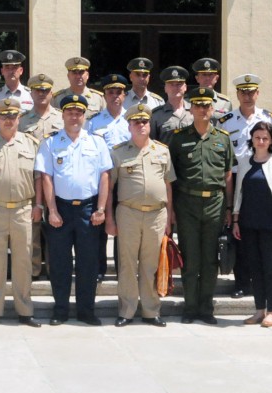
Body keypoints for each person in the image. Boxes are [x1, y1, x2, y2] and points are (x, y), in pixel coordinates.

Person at [36, 94, 113, 326]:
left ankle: (86, 311)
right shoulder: (50, 142)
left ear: (84, 115)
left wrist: (101, 209)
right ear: (63, 114)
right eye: (70, 111)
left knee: (88, 263)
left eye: (78, 112)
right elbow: (46, 178)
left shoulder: (96, 142)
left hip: (89, 209)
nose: (74, 116)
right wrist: (51, 210)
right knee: (59, 263)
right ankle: (60, 310)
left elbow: (105, 176)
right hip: (60, 208)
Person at [104, 104, 175, 328]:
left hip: (157, 215)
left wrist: (169, 216)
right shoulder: (118, 151)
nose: (141, 125)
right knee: (127, 265)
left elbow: (168, 185)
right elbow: (109, 186)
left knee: (150, 264)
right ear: (129, 126)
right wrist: (109, 217)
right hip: (128, 213)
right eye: (136, 122)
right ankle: (126, 310)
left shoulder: (162, 151)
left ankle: (151, 311)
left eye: (144, 122)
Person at [0, 98, 42, 328]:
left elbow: (38, 178)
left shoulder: (31, 144)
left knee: (23, 261)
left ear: (19, 118)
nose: (8, 120)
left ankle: (25, 310)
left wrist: (38, 205)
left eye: (12, 116)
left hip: (23, 209)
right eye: (4, 116)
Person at [169, 87, 234, 325]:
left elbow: (228, 176)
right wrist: (172, 210)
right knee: (190, 258)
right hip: (187, 203)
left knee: (210, 260)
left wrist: (228, 209)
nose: (203, 110)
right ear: (191, 108)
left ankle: (206, 308)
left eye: (207, 105)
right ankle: (190, 307)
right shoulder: (179, 137)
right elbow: (171, 177)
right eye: (198, 105)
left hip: (215, 204)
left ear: (213, 109)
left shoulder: (223, 139)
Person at [218, 73, 272, 298]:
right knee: (239, 233)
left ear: (257, 93)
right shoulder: (226, 121)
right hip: (235, 178)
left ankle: (259, 282)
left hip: (262, 178)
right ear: (237, 94)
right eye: (243, 92)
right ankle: (241, 283)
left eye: (251, 91)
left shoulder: (267, 118)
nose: (247, 96)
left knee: (260, 231)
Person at [232, 122, 272, 328]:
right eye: (257, 137)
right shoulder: (245, 162)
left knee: (270, 267)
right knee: (255, 268)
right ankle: (259, 311)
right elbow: (239, 193)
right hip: (248, 222)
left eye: (265, 138)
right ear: (252, 139)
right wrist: (236, 220)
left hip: (271, 223)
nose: (261, 141)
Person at [85, 74, 132, 280]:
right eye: (110, 92)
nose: (115, 96)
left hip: (126, 180)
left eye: (119, 92)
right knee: (99, 225)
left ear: (125, 95)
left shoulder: (132, 119)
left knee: (124, 225)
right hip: (100, 180)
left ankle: (123, 268)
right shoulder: (94, 123)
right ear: (104, 95)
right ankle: (98, 269)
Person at [19, 73, 64, 281]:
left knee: (57, 229)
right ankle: (35, 270)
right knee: (33, 229)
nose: (42, 94)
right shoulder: (22, 120)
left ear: (51, 93)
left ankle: (55, 268)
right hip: (30, 180)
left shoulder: (61, 118)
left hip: (58, 182)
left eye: (45, 90)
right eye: (38, 90)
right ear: (31, 93)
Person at [149, 65, 193, 146]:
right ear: (165, 88)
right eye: (171, 84)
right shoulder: (156, 115)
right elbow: (151, 143)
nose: (175, 87)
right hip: (167, 157)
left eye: (179, 84)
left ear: (185, 87)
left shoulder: (194, 111)